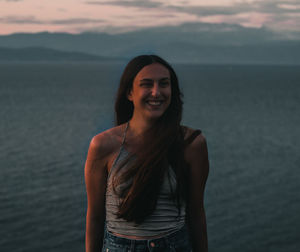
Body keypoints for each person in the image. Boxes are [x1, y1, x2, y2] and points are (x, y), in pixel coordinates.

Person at [85, 55, 209, 252]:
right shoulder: (103, 145)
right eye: (146, 84)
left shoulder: (191, 144)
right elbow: (95, 216)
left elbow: (196, 213)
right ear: (129, 93)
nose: (156, 92)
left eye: (164, 84)